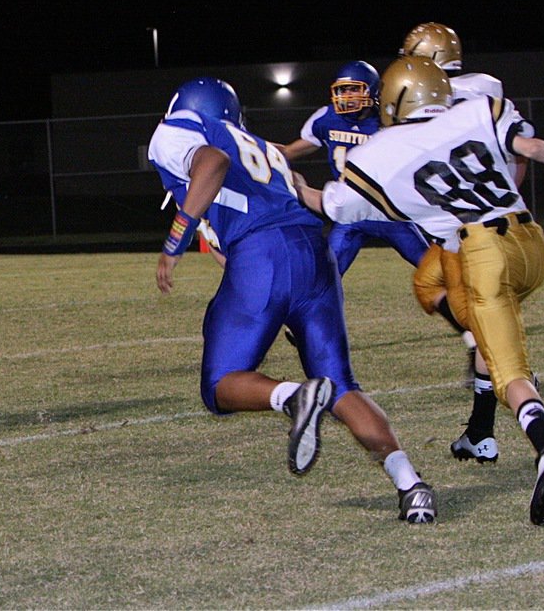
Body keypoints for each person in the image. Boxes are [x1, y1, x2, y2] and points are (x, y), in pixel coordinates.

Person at [296, 55, 544, 526]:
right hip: (530, 242)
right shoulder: (474, 111)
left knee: (507, 367)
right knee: (430, 281)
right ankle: (475, 356)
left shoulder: (383, 151)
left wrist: (289, 181)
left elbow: (328, 205)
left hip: (484, 254)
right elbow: (532, 149)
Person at [150, 78, 436, 523]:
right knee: (340, 383)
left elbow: (213, 160)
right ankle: (411, 485)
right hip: (312, 252)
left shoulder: (177, 130)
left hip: (264, 257)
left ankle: (293, 398)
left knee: (220, 384)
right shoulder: (267, 148)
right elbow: (296, 194)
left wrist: (175, 240)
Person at [400, 21, 526, 462]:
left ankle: (522, 421)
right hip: (498, 224)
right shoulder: (486, 92)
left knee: (479, 326)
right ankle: (480, 428)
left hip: (466, 233)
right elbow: (521, 149)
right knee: (429, 287)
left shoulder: (443, 100)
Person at [275, 61, 430, 275]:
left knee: (432, 268)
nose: (347, 95)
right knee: (325, 277)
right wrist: (252, 146)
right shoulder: (326, 119)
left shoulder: (387, 119)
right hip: (350, 213)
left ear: (372, 90)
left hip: (387, 211)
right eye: (343, 89)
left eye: (354, 89)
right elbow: (290, 151)